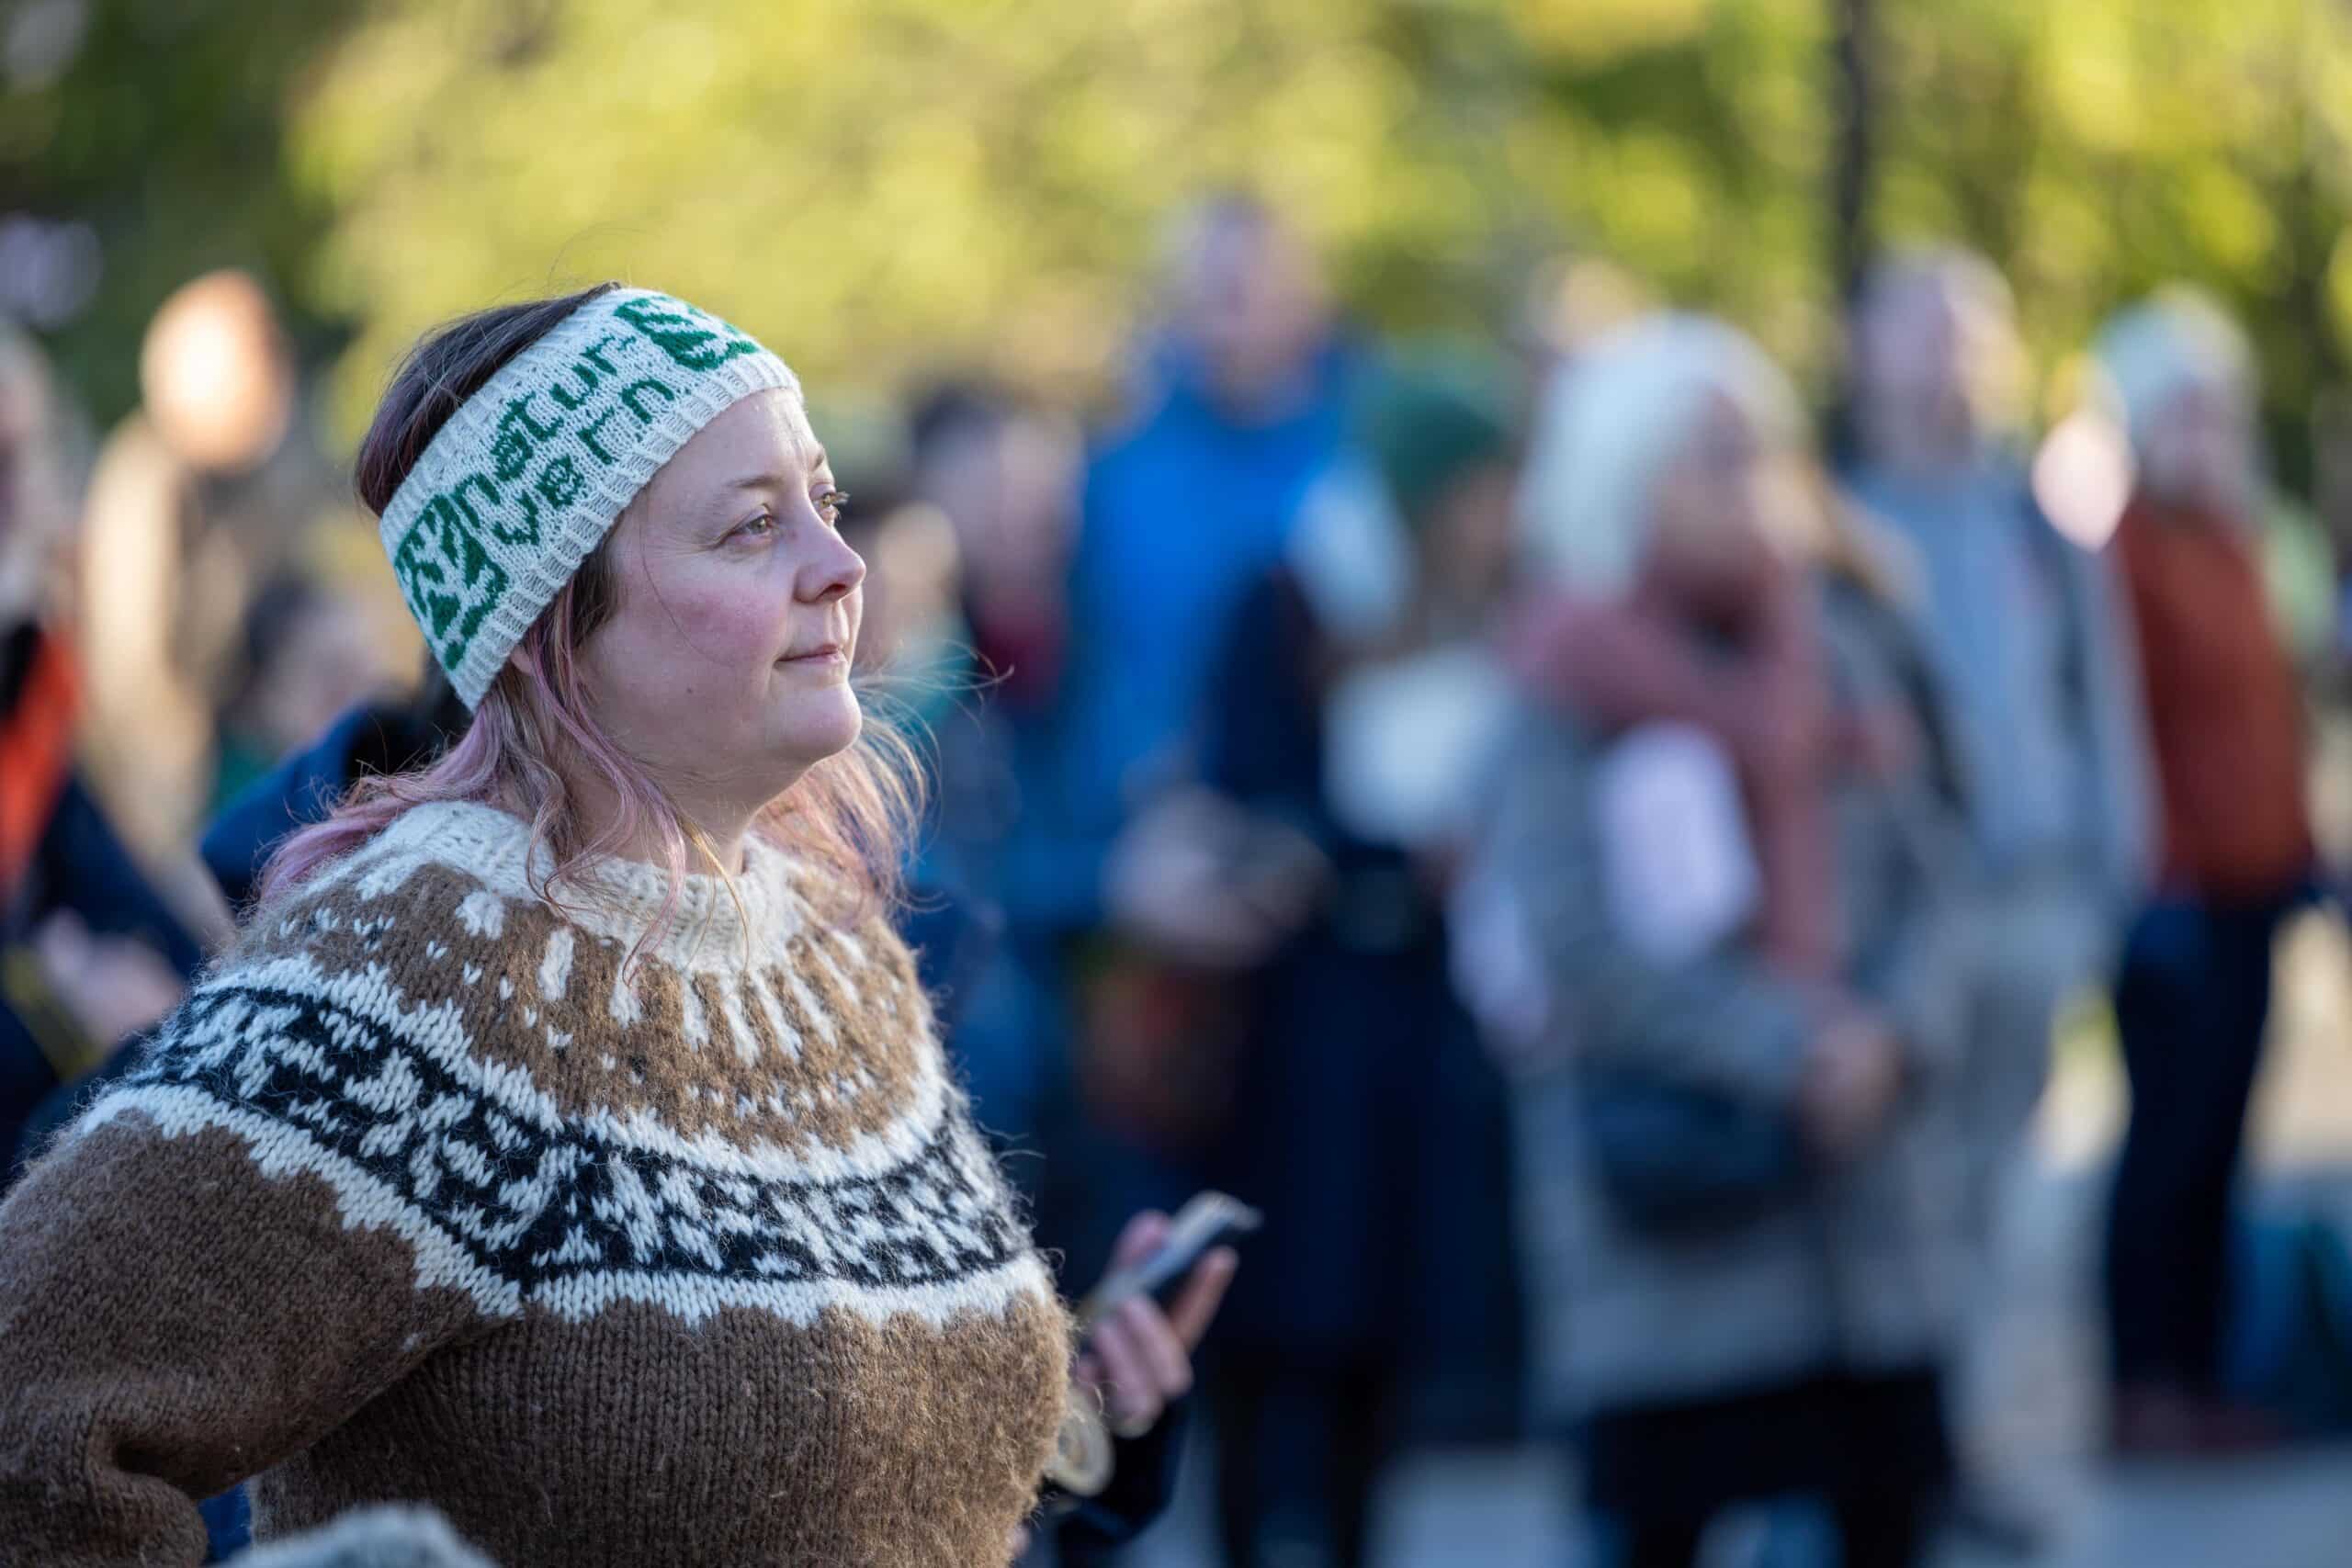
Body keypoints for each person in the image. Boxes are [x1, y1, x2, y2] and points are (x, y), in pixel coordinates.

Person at [0, 284, 1226, 1565]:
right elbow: (27, 1413)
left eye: (825, 500)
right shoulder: (410, 973)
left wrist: (1087, 1439)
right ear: (556, 635)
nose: (842, 565)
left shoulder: (832, 943)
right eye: (754, 527)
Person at [1487, 315, 1973, 1568]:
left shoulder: (1847, 645)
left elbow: (1937, 886)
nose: (1749, 480)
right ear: (1623, 471)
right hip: (1673, 1237)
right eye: (1711, 454)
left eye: (1759, 450)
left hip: (1864, 1238)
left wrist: (1893, 1037)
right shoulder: (1559, 682)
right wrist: (1794, 1050)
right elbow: (1578, 943)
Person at [1112, 365, 1523, 1565]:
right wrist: (1359, 853)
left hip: (1407, 1031)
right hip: (1287, 1037)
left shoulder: (1477, 606)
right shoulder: (1291, 595)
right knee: (1268, 1332)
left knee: (1378, 1339)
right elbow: (1248, 786)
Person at [1842, 250, 2153, 1542]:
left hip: (2035, 904)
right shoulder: (1839, 527)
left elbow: (2102, 706)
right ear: (1867, 353)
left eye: (1969, 334)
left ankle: (1965, 1441)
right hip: (1903, 926)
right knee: (1902, 1200)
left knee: (2002, 1195)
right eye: (1922, 331)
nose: (1947, 360)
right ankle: (1898, 1460)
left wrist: (2107, 887)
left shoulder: (2038, 524)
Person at [2095, 291, 2316, 1456]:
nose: (2201, 431)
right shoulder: (2124, 555)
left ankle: (2205, 1367)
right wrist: (2147, 876)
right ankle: (2144, 1379)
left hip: (2256, 888)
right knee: (2166, 1144)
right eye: (2179, 410)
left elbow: (2266, 718)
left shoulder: (2239, 542)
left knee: (2224, 1139)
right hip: (2172, 900)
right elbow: (2123, 733)